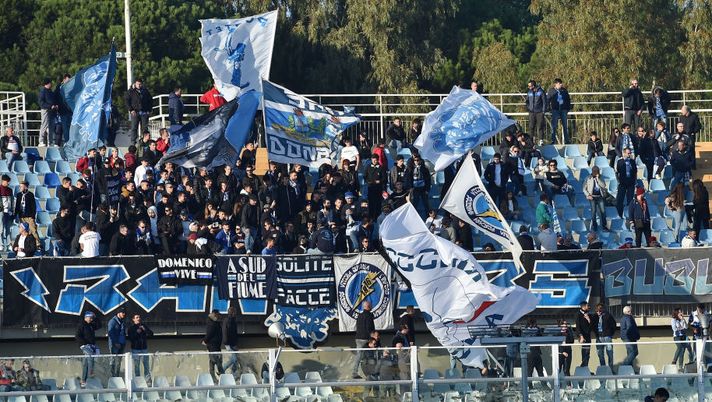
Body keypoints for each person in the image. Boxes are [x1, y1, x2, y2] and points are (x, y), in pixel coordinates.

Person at [75, 311, 101, 387]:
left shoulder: (91, 325)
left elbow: (99, 326)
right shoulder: (82, 325)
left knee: (85, 363)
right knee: (90, 356)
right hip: (85, 345)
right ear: (86, 317)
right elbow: (77, 335)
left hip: (91, 345)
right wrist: (84, 344)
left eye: (92, 318)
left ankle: (83, 380)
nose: (91, 319)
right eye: (90, 318)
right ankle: (91, 373)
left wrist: (96, 317)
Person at [125, 79, 152, 145]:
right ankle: (133, 142)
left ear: (142, 84)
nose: (139, 85)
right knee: (134, 127)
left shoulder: (145, 91)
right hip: (135, 112)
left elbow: (150, 100)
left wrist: (149, 110)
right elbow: (127, 101)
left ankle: (145, 141)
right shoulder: (131, 91)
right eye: (137, 84)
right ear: (135, 84)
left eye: (140, 84)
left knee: (145, 128)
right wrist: (131, 110)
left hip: (144, 112)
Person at [15, 180, 40, 250]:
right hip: (21, 216)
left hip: (29, 216)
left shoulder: (30, 195)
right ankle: (24, 244)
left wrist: (32, 216)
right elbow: (17, 206)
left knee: (33, 230)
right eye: (20, 186)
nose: (20, 188)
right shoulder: (19, 195)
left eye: (21, 186)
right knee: (23, 231)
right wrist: (16, 214)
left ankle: (38, 244)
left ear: (25, 187)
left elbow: (33, 206)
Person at [352, 300, 375, 378]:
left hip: (358, 337)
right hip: (365, 338)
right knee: (370, 355)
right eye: (371, 305)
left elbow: (358, 326)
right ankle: (371, 373)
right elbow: (369, 327)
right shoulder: (369, 315)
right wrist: (371, 338)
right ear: (368, 306)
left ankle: (355, 372)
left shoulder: (360, 316)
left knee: (358, 356)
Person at [127, 313, 153, 381]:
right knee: (136, 366)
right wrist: (137, 333)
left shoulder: (143, 326)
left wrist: (145, 330)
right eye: (137, 317)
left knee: (146, 365)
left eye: (139, 317)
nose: (138, 318)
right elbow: (131, 338)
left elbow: (151, 334)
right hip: (135, 349)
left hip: (144, 349)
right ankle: (138, 380)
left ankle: (148, 380)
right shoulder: (131, 328)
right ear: (133, 319)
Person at [583, 166, 609, 231]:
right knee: (593, 211)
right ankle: (594, 226)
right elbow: (584, 188)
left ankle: (604, 226)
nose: (596, 172)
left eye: (597, 171)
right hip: (592, 197)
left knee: (603, 211)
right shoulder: (588, 178)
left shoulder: (601, 178)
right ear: (592, 171)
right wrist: (588, 195)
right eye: (594, 171)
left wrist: (598, 179)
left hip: (600, 196)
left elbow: (604, 185)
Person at [202, 309, 224, 382]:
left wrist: (205, 341)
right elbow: (209, 334)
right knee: (216, 363)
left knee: (215, 363)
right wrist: (205, 340)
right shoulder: (212, 324)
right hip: (213, 346)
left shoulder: (215, 323)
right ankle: (217, 379)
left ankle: (217, 379)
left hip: (215, 346)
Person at [547, 78, 571, 144]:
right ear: (556, 84)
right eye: (559, 83)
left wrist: (567, 109)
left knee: (565, 126)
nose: (561, 85)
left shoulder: (564, 90)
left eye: (561, 83)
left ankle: (567, 140)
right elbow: (548, 100)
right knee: (554, 126)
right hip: (555, 110)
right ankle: (553, 140)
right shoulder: (551, 91)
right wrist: (549, 109)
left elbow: (568, 100)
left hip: (563, 110)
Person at [615, 147, 637, 218]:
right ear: (624, 153)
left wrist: (634, 182)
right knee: (619, 200)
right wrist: (619, 181)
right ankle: (619, 215)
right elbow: (617, 172)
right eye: (628, 153)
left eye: (630, 153)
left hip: (631, 183)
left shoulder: (632, 162)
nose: (629, 154)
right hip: (622, 183)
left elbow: (635, 172)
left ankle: (630, 217)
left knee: (630, 201)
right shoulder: (620, 162)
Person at [364, 154, 385, 219]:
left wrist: (380, 181)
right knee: (371, 203)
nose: (374, 161)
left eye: (376, 160)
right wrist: (369, 181)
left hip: (378, 188)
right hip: (370, 188)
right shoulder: (368, 167)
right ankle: (371, 217)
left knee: (378, 203)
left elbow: (384, 178)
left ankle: (377, 217)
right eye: (373, 160)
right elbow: (365, 176)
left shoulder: (381, 167)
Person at [38, 78, 58, 146]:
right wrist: (50, 106)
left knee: (51, 127)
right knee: (44, 125)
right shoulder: (43, 91)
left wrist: (55, 105)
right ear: (47, 83)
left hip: (52, 111)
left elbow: (53, 100)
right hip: (45, 110)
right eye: (50, 83)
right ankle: (41, 141)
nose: (51, 84)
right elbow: (41, 103)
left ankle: (50, 142)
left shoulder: (50, 91)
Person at [107, 309, 127, 377]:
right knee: (113, 360)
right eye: (123, 313)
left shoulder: (122, 322)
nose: (124, 314)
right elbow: (111, 333)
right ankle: (112, 376)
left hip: (122, 343)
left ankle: (117, 375)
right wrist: (115, 342)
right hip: (115, 344)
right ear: (118, 313)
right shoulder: (112, 321)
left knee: (119, 361)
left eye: (124, 313)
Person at [575, 301, 594, 367]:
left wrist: (588, 319)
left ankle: (585, 366)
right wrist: (581, 336)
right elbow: (578, 326)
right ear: (583, 306)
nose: (588, 307)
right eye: (587, 305)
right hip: (583, 336)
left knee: (588, 352)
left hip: (588, 336)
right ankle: (583, 367)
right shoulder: (578, 314)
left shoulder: (589, 314)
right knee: (584, 352)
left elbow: (592, 326)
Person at [223, 306, 240, 374]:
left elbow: (234, 333)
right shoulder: (227, 321)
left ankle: (233, 374)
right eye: (234, 312)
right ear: (232, 313)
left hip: (233, 343)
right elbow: (225, 332)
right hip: (229, 343)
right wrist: (226, 343)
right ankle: (222, 369)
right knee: (234, 359)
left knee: (235, 360)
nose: (236, 313)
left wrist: (235, 343)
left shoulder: (233, 321)